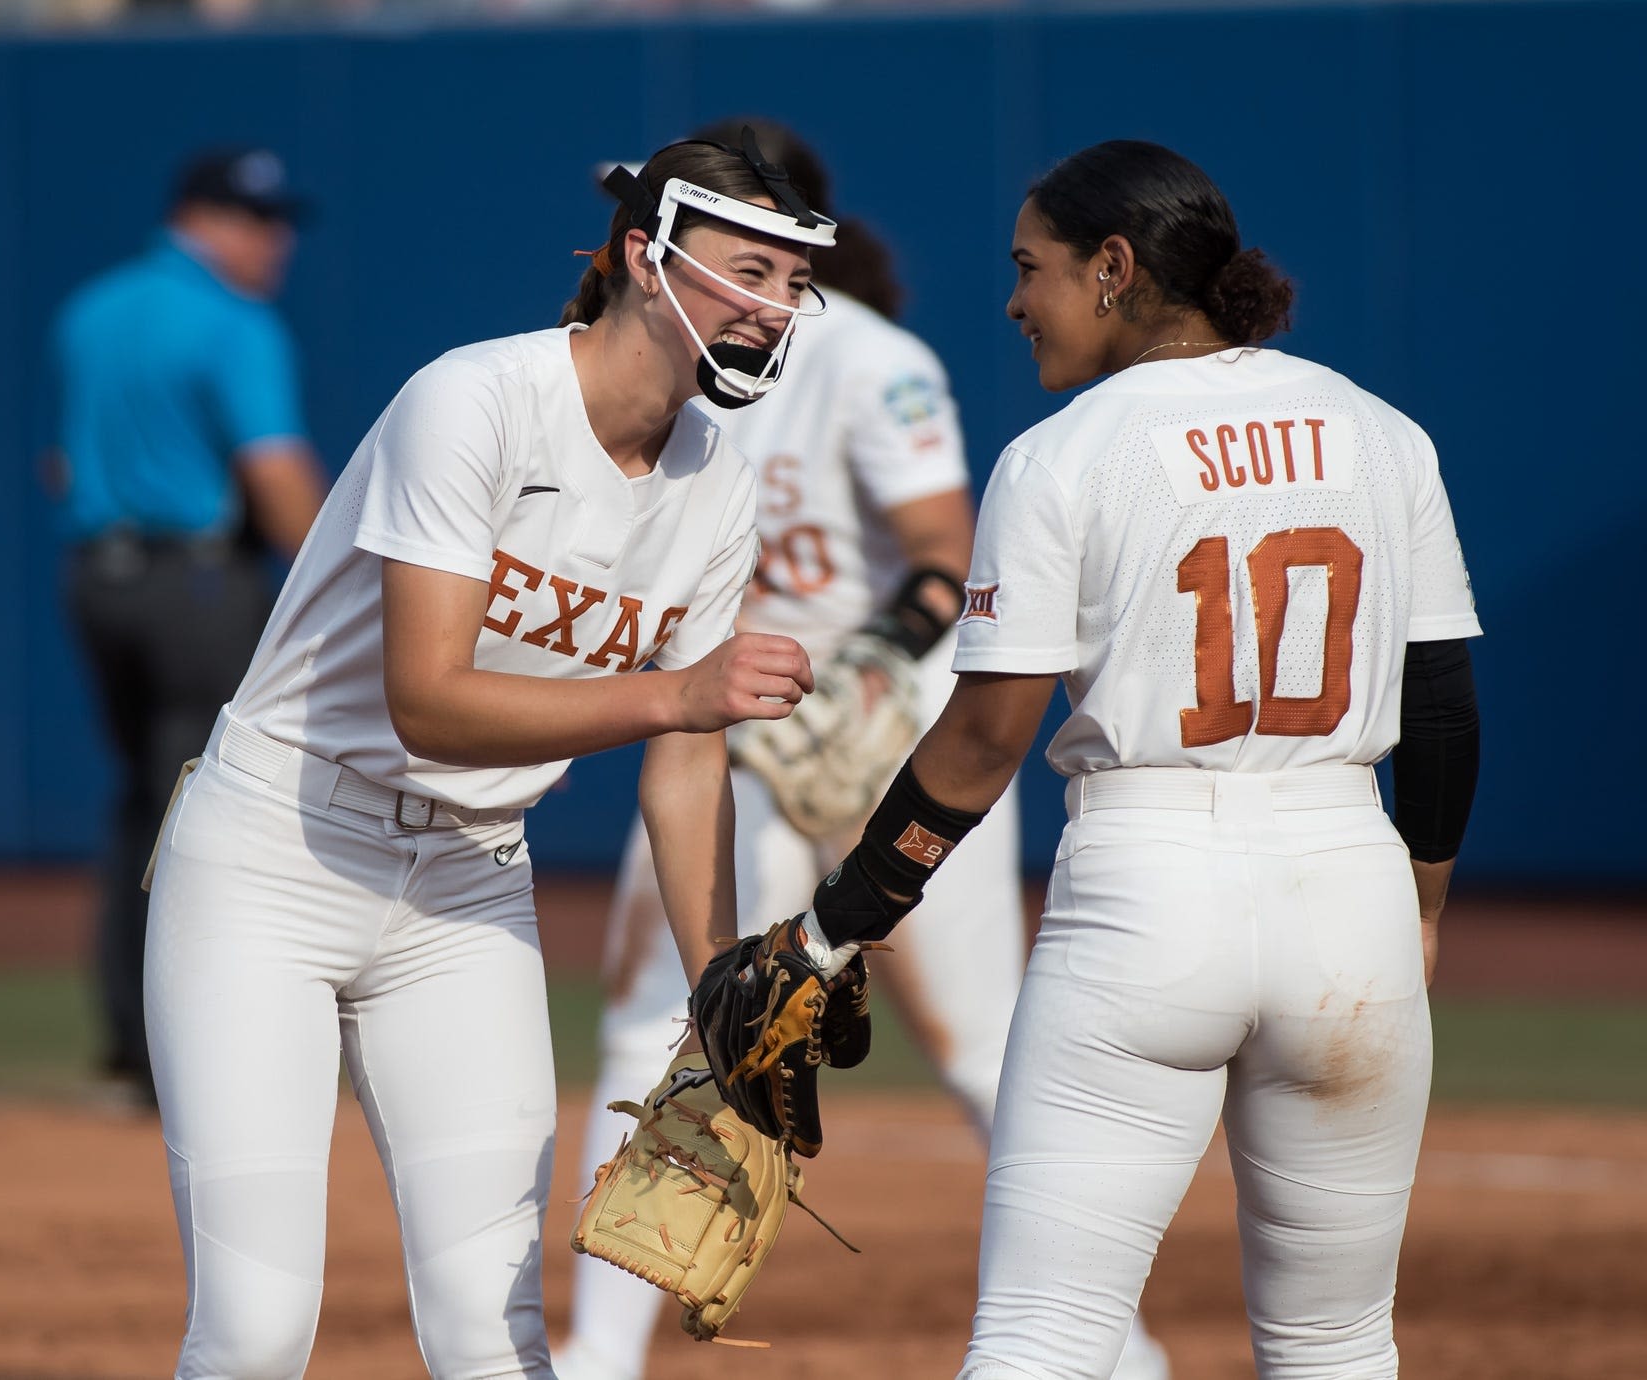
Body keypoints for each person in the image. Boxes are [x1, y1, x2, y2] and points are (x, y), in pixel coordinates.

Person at [758, 139, 1482, 1379]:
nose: (1013, 299)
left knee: (1044, 1337)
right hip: (1349, 886)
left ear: (1113, 267)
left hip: (1149, 891)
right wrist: (1418, 904)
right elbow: (1444, 708)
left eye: (1030, 267)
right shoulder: (1384, 433)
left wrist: (840, 921)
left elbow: (984, 744)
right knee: (1338, 1343)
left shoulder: (1064, 455)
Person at [141, 131, 832, 1380]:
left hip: (465, 882)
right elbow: (430, 702)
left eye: (790, 282)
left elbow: (688, 756)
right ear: (644, 256)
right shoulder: (476, 398)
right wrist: (673, 692)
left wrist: (718, 987)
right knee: (251, 1333)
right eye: (748, 270)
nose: (774, 306)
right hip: (274, 858)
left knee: (494, 1329)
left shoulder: (714, 474)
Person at [555, 120, 1170, 1380]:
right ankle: (597, 1355)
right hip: (728, 725)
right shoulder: (648, 368)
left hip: (885, 738)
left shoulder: (869, 360)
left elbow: (943, 551)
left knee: (979, 1043)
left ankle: (1124, 1352)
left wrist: (871, 661)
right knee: (659, 1017)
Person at [47, 145, 329, 1107]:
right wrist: (344, 592)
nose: (276, 240)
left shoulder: (89, 309)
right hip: (194, 586)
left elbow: (63, 462)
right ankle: (192, 1053)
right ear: (200, 220)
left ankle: (134, 1046)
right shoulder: (233, 322)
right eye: (258, 220)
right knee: (207, 812)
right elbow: (277, 476)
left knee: (142, 804)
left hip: (97, 580)